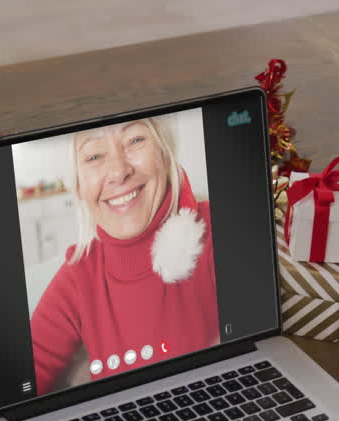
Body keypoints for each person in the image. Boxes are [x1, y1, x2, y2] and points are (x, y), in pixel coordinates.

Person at [29, 117, 219, 394]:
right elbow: (16, 383)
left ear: (165, 155)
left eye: (135, 140)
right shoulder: (79, 276)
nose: (118, 172)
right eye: (94, 156)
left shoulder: (218, 232)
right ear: (79, 186)